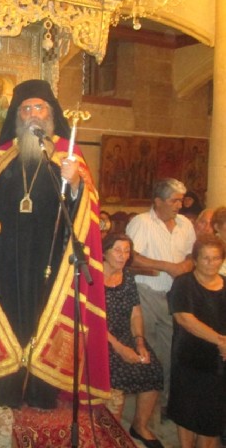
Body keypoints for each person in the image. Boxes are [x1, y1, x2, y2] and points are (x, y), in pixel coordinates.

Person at [0, 79, 109, 409]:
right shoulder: (7, 155)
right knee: (11, 319)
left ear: (50, 113)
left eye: (38, 108)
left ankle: (42, 393)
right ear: (17, 115)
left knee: (45, 318)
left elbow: (84, 208)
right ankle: (8, 392)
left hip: (51, 256)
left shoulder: (68, 155)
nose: (31, 114)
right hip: (8, 257)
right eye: (25, 108)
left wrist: (74, 182)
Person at [126, 178, 196, 412]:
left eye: (181, 201)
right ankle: (144, 409)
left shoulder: (185, 224)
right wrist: (167, 266)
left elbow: (191, 254)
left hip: (175, 296)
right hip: (147, 293)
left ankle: (166, 403)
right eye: (174, 201)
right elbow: (131, 257)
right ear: (158, 201)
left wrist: (185, 265)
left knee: (170, 351)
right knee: (148, 349)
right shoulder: (142, 222)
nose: (179, 206)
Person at [102, 233, 164, 448]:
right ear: (104, 252)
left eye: (127, 251)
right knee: (117, 373)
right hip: (100, 336)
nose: (123, 255)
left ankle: (139, 425)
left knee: (153, 368)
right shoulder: (92, 276)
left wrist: (139, 342)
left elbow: (136, 313)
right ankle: (112, 431)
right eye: (117, 250)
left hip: (124, 334)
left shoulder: (127, 278)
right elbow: (91, 318)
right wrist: (120, 348)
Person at [167, 235, 226, 448]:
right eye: (205, 258)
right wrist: (221, 341)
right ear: (195, 259)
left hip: (219, 362)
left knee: (212, 413)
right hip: (189, 358)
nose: (211, 263)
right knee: (186, 410)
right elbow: (185, 319)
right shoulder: (183, 283)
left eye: (216, 258)